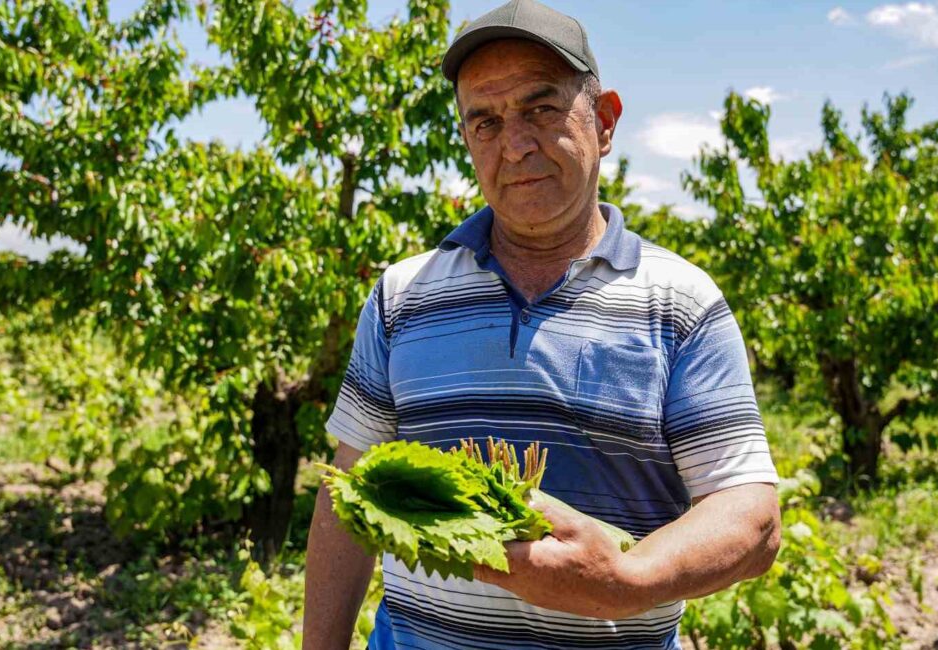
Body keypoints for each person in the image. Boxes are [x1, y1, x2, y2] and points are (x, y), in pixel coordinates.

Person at [303, 1, 781, 647]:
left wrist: (627, 579)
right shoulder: (401, 297)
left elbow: (751, 518)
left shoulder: (682, 304)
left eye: (541, 109)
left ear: (604, 121)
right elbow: (345, 498)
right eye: (486, 121)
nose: (516, 144)